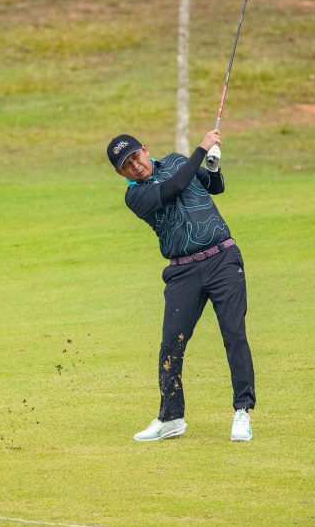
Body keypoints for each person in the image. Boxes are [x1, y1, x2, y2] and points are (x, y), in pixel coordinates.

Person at [107, 131, 255, 442]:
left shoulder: (177, 161)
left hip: (223, 258)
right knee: (171, 345)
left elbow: (215, 186)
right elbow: (173, 187)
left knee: (233, 333)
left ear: (145, 150)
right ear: (120, 173)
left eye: (136, 156)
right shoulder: (135, 197)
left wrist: (212, 164)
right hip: (182, 271)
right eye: (126, 165)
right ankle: (171, 418)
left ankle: (242, 412)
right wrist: (201, 149)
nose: (135, 165)